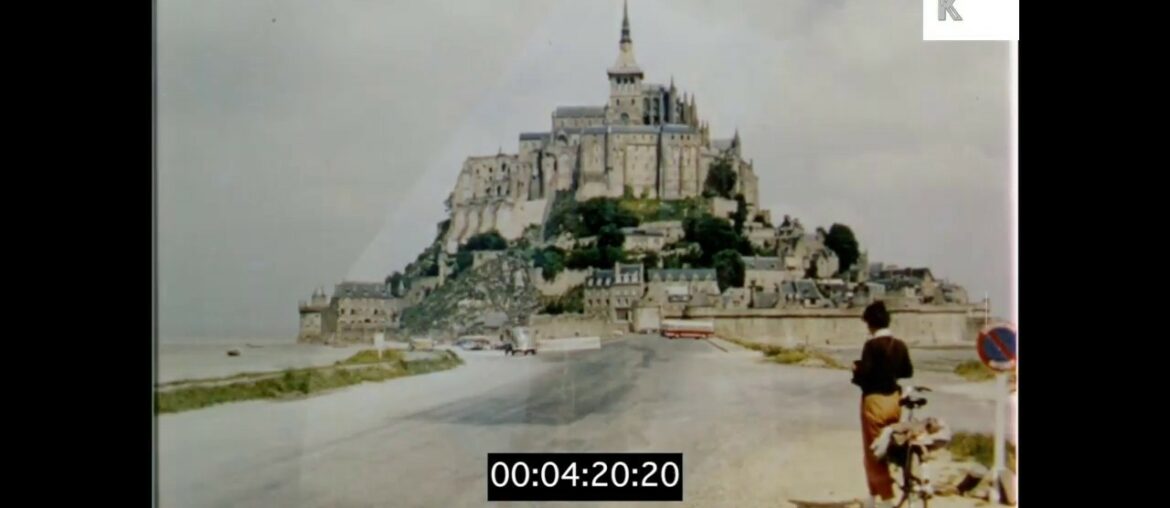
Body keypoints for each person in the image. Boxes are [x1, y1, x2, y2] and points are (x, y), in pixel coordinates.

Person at [851, 301, 913, 507]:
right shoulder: (899, 344)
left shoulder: (871, 346)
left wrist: (856, 369)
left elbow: (865, 377)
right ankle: (873, 497)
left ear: (871, 324)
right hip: (896, 401)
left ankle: (885, 499)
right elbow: (907, 372)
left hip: (874, 402)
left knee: (873, 452)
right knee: (891, 445)